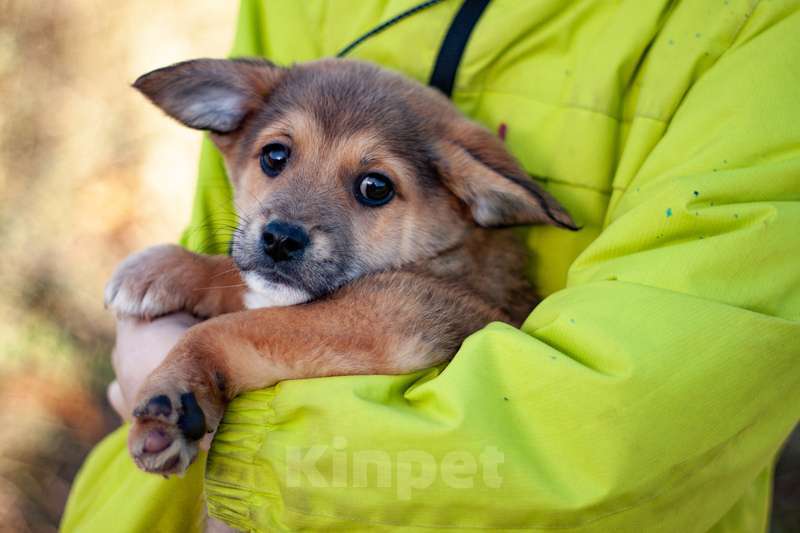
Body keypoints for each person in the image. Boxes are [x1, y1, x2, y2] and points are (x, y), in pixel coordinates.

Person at [62, 1, 800, 531]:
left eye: (372, 187)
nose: (289, 217)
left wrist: (201, 358)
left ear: (466, 198)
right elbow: (246, 281)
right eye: (277, 156)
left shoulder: (763, 33)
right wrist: (176, 306)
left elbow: (403, 327)